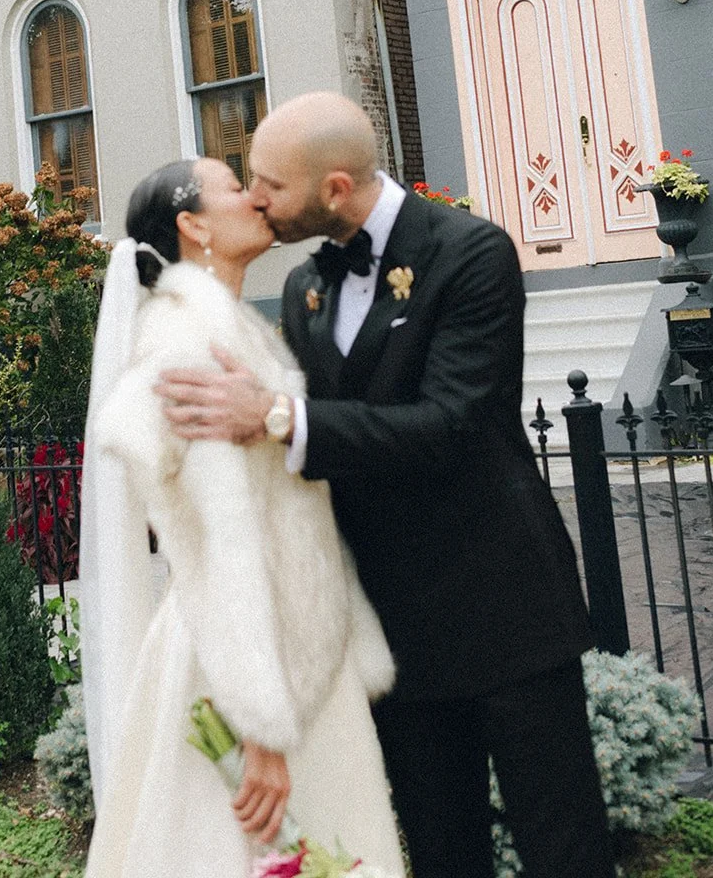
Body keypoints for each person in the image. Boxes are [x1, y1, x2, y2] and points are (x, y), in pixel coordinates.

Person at [157, 92, 616, 878]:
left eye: (270, 184)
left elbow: (449, 428)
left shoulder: (470, 253)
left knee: (563, 852)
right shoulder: (304, 287)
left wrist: (274, 415)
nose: (256, 198)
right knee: (441, 854)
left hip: (505, 613)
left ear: (334, 188)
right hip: (396, 634)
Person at [80, 154, 405, 878]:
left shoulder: (238, 329)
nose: (255, 196)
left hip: (293, 645)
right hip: (238, 661)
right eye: (234, 186)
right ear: (193, 224)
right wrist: (259, 728)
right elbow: (217, 541)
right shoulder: (187, 342)